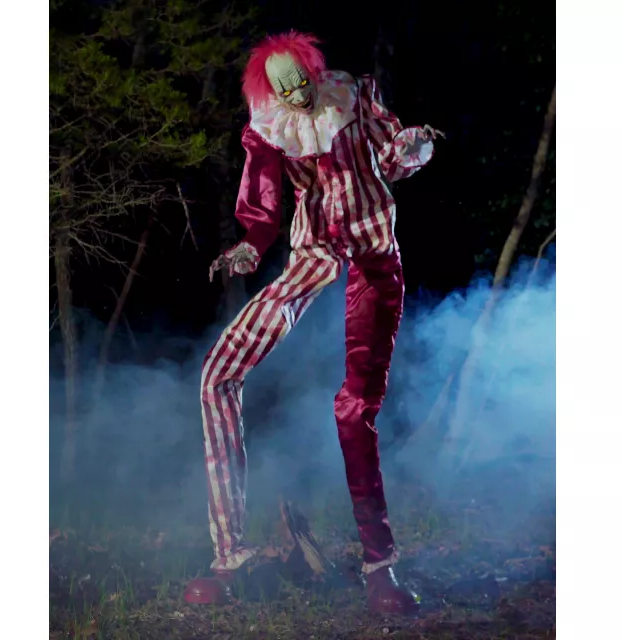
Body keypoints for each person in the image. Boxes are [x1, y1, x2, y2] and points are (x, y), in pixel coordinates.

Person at [184, 30, 444, 615]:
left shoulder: (353, 96)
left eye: (300, 80)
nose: (295, 94)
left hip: (374, 257)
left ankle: (380, 567)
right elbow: (263, 206)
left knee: (354, 409)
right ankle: (229, 556)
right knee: (217, 374)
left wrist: (414, 144)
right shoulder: (268, 127)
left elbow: (392, 160)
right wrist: (249, 247)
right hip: (313, 258)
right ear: (270, 92)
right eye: (283, 88)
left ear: (313, 71)